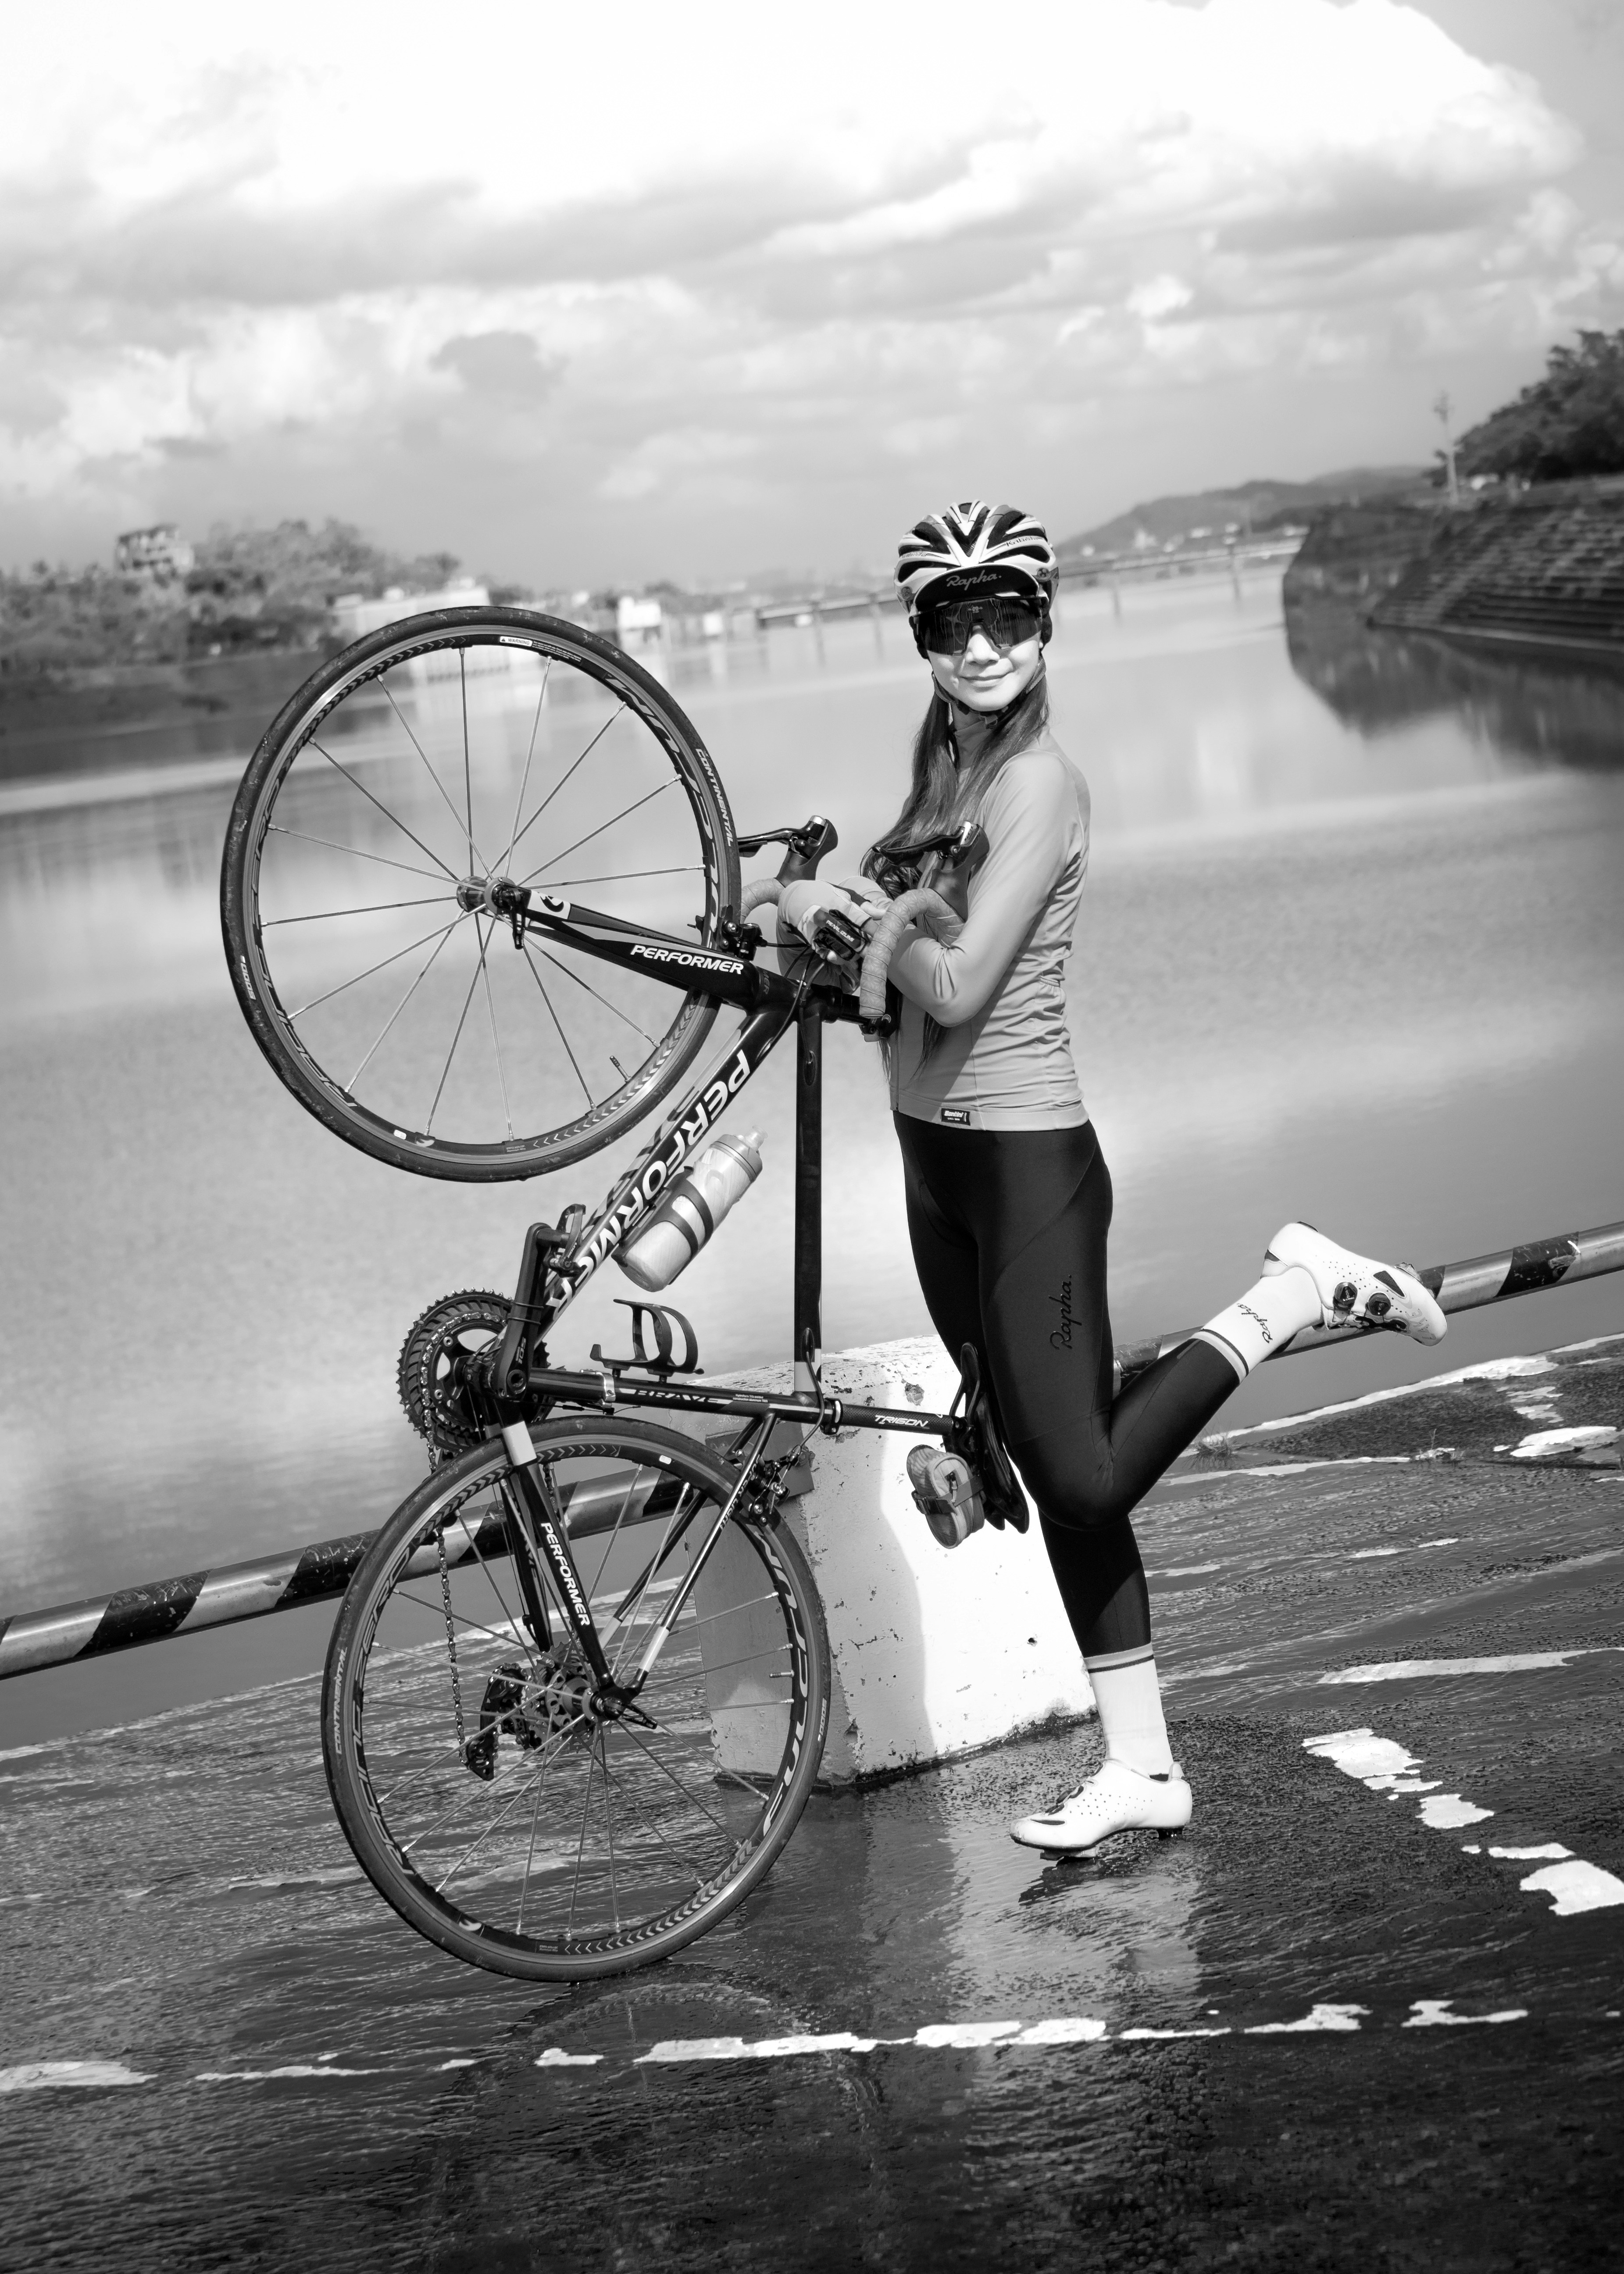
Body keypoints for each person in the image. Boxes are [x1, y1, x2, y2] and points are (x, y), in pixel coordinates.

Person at [778, 499, 1446, 1856]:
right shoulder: (945, 777)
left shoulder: (1037, 783)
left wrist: (834, 910)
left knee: (1083, 1480)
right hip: (936, 1165)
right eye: (951, 620)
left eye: (1005, 615)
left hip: (1027, 1166)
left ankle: (1294, 1292)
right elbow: (885, 990)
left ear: (1044, 623)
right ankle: (1142, 1767)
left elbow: (955, 982)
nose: (980, 644)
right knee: (1043, 1469)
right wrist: (798, 917)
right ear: (920, 636)